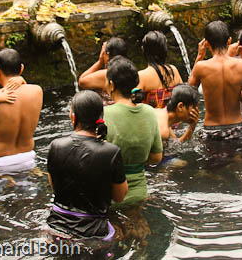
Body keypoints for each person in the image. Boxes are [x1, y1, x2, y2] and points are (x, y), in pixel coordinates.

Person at [47, 90, 128, 240]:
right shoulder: (111, 152)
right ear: (100, 118)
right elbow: (120, 197)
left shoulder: (55, 146)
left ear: (73, 117)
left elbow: (55, 188)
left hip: (56, 226)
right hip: (95, 232)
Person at [103, 56, 162, 204]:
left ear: (112, 85)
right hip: (140, 193)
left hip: (111, 196)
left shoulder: (104, 114)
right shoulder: (149, 112)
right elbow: (156, 157)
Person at [188, 21, 242, 140]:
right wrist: (235, 92)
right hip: (238, 128)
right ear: (229, 41)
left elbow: (188, 94)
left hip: (211, 129)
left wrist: (199, 57)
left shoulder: (201, 67)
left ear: (206, 43)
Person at [137, 31, 183, 108]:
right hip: (172, 119)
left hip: (152, 119)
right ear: (165, 51)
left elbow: (131, 104)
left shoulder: (142, 76)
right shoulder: (173, 70)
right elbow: (184, 97)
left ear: (144, 51)